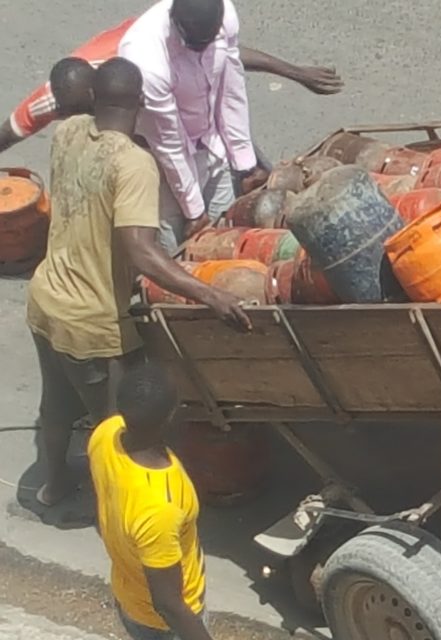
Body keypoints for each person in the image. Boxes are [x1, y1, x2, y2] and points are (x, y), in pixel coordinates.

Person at [27, 56, 251, 507]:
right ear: (141, 101)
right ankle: (119, 515)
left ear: (93, 97)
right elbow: (141, 251)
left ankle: (53, 488)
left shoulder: (68, 132)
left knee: (55, 406)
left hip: (45, 298)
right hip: (90, 322)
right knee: (119, 427)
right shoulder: (133, 165)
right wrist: (212, 296)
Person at [0, 12, 342, 156]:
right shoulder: (53, 99)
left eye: (92, 112)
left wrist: (295, 72)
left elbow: (222, 54)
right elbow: (7, 134)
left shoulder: (142, 60)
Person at [88, 363, 211, 640]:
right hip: (164, 626)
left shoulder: (106, 434)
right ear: (170, 418)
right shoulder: (159, 507)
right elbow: (168, 605)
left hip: (128, 595)